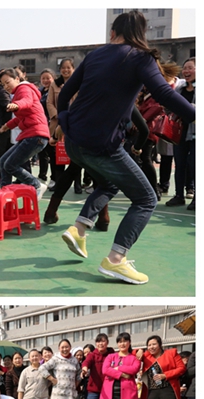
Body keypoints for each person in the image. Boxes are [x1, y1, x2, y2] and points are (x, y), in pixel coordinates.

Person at [57, 10, 195, 285]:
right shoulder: (139, 57)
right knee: (146, 199)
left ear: (113, 32)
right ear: (141, 34)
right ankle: (116, 259)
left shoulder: (95, 55)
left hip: (74, 141)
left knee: (109, 183)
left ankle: (79, 229)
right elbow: (164, 93)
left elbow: (65, 93)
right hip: (101, 145)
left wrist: (64, 121)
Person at [0, 69, 50, 201]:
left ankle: (36, 185)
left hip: (36, 135)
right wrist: (6, 126)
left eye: (7, 82)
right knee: (3, 161)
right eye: (3, 84)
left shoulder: (24, 89)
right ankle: (5, 195)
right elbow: (19, 118)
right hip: (31, 135)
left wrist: (16, 105)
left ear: (17, 79)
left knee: (10, 165)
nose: (6, 86)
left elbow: (26, 101)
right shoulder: (18, 93)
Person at [165, 58, 196, 211]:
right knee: (180, 164)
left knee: (194, 165)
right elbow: (170, 105)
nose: (186, 71)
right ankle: (179, 195)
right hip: (180, 132)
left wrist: (189, 107)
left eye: (190, 68)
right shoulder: (179, 89)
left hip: (195, 133)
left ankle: (196, 198)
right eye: (185, 68)